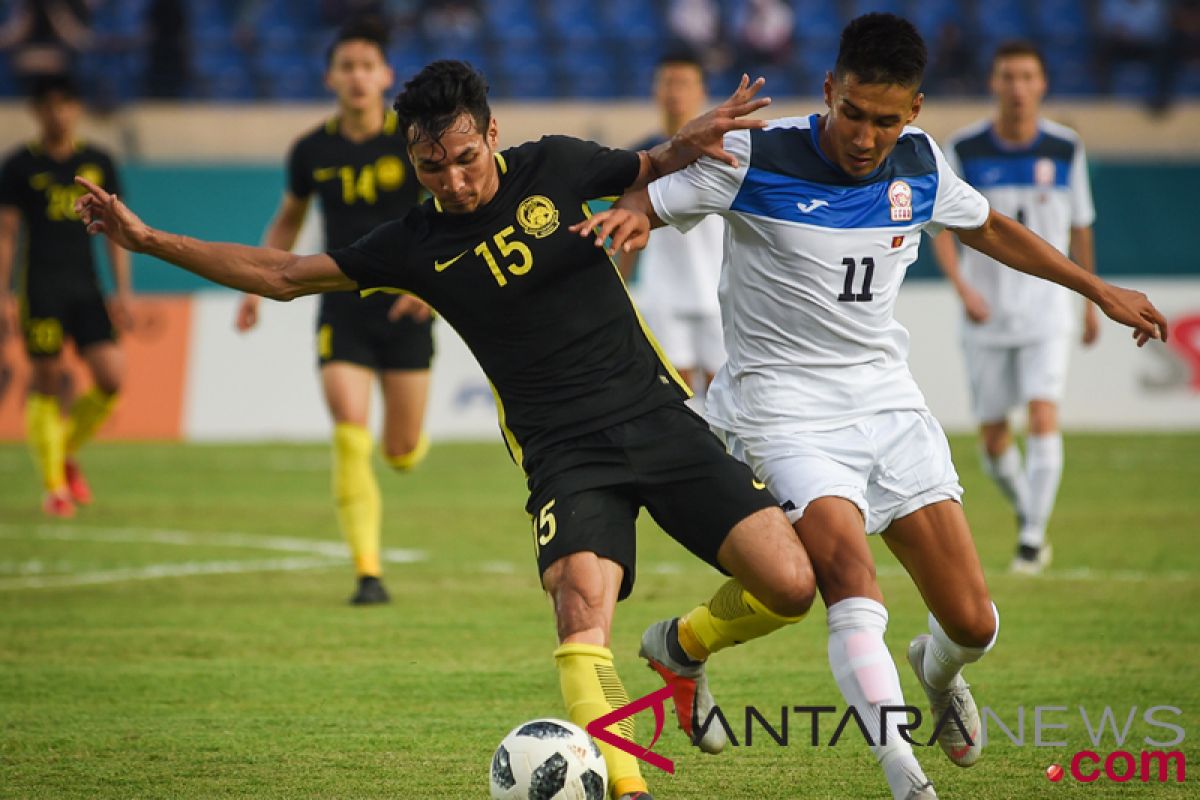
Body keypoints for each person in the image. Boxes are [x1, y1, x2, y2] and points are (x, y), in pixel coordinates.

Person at [74, 61, 818, 800]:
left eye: (466, 159)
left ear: (492, 133)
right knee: (580, 611)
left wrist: (689, 139)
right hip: (564, 455)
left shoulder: (556, 165)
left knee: (790, 585)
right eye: (433, 167)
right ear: (413, 160)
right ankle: (627, 789)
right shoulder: (411, 244)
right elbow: (283, 274)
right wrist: (148, 241)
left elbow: (652, 164)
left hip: (656, 415)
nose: (455, 182)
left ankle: (683, 647)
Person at [580, 13, 1167, 800]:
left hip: (888, 404)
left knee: (974, 623)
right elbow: (653, 196)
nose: (865, 134)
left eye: (886, 119)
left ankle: (931, 669)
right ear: (830, 90)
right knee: (853, 588)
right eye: (853, 112)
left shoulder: (922, 162)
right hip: (781, 410)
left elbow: (989, 226)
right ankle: (905, 778)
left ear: (915, 111)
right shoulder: (756, 155)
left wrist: (1098, 289)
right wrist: (632, 213)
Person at [234, 20, 434, 606]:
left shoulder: (414, 138)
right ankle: (368, 574)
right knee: (350, 433)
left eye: (366, 65)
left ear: (386, 76)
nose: (356, 76)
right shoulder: (310, 149)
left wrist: (429, 288)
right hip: (341, 306)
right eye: (346, 66)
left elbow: (449, 211)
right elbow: (289, 219)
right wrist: (253, 287)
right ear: (330, 77)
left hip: (405, 309)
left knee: (399, 452)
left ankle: (402, 452)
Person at [932, 41, 1098, 575]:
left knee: (1044, 412)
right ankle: (1031, 514)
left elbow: (1080, 228)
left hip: (1049, 309)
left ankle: (1030, 538)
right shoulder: (965, 148)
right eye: (1008, 76)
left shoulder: (1066, 148)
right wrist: (962, 287)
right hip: (986, 314)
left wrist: (1091, 298)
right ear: (993, 83)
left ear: (1043, 84)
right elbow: (940, 226)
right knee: (993, 439)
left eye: (1027, 76)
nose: (1018, 86)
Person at [0, 74, 131, 518]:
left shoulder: (98, 161)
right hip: (40, 287)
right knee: (47, 381)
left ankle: (65, 451)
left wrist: (123, 292)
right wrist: (4, 295)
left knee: (112, 377)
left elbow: (118, 233)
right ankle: (54, 487)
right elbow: (6, 233)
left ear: (77, 108)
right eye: (49, 104)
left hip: (87, 286)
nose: (59, 113)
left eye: (67, 103)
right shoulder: (19, 166)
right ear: (36, 111)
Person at [621, 50, 726, 406]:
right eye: (667, 82)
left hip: (718, 289)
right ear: (655, 90)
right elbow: (626, 228)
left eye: (684, 83)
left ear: (702, 91)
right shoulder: (638, 157)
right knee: (673, 394)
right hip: (663, 291)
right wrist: (619, 284)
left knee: (723, 392)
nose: (674, 91)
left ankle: (727, 461)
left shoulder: (723, 153)